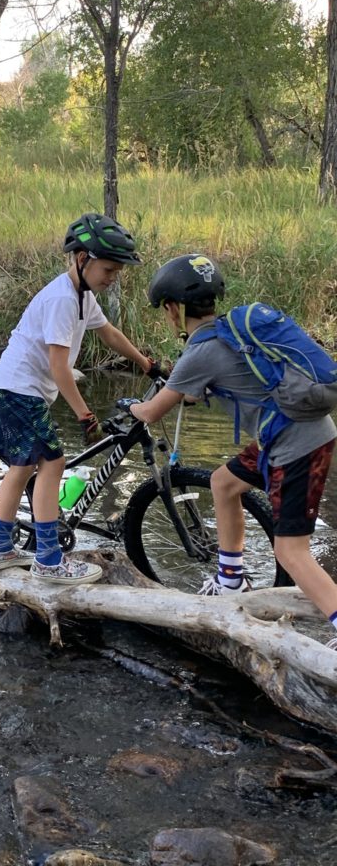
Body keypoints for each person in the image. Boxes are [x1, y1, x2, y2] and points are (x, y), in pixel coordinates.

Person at [124, 253, 337, 650]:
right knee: (223, 483)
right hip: (292, 434)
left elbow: (152, 412)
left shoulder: (200, 352)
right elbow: (214, 384)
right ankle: (230, 578)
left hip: (297, 447)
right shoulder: (228, 332)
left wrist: (130, 407)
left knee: (291, 551)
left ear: (172, 308)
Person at [0, 213, 163, 584]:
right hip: (21, 389)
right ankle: (48, 560)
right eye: (109, 269)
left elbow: (109, 333)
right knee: (53, 462)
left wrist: (146, 363)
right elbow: (59, 365)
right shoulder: (62, 300)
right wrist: (84, 414)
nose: (112, 277)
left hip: (21, 388)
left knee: (23, 468)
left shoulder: (82, 295)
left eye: (117, 271)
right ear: (82, 259)